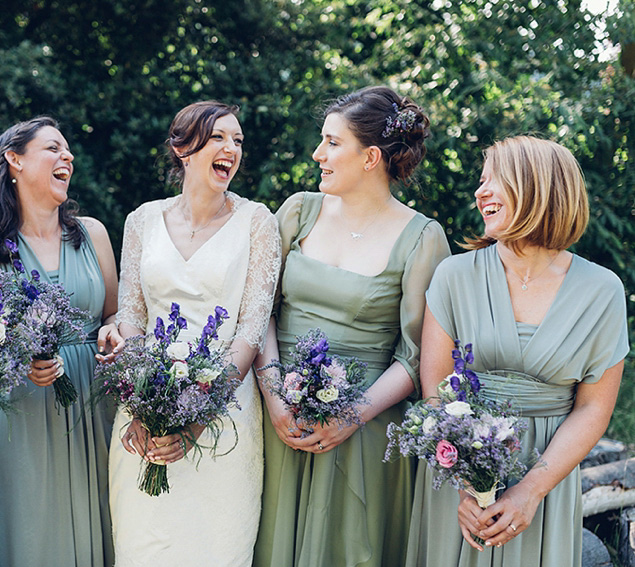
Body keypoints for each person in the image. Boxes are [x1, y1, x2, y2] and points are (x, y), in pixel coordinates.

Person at [405, 136, 628, 566]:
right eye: (480, 181)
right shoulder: (454, 275)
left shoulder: (602, 291)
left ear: (538, 187)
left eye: (494, 180)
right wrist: (465, 483)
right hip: (457, 483)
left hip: (545, 479)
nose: (479, 192)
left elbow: (593, 410)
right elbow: (434, 390)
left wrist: (530, 491)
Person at [253, 86, 451, 567]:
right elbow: (259, 310)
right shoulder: (298, 211)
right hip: (277, 419)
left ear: (371, 157)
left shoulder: (422, 238)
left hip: (363, 433)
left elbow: (416, 356)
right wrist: (274, 392)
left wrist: (351, 416)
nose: (318, 154)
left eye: (332, 143)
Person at [108, 100, 281, 566]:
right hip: (144, 411)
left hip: (225, 416)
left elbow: (250, 330)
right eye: (219, 137)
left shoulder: (258, 223)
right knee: (145, 546)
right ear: (183, 149)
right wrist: (140, 405)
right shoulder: (141, 221)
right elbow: (132, 321)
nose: (232, 149)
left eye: (238, 140)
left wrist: (199, 420)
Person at [0, 116, 121, 567]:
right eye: (53, 148)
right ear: (15, 160)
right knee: (32, 534)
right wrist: (17, 360)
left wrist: (112, 331)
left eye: (67, 151)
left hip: (93, 400)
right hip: (24, 411)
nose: (67, 156)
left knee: (106, 519)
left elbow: (113, 313)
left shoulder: (92, 234)